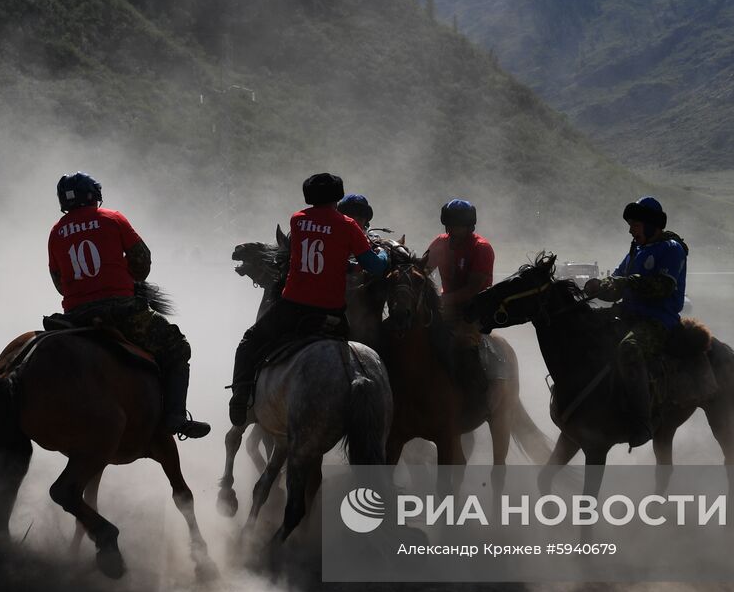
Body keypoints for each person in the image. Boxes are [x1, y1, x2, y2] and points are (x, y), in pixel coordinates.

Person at [48, 172, 210, 439]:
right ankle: (175, 417)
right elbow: (142, 261)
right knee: (177, 346)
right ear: (93, 195)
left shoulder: (56, 232)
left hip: (76, 316)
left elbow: (59, 282)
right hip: (121, 311)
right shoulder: (113, 218)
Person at [229, 173, 389, 427]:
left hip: (293, 307)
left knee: (250, 342)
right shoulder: (348, 226)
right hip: (333, 313)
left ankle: (240, 398)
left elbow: (316, 254)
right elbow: (374, 266)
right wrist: (382, 255)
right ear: (337, 197)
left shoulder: (298, 220)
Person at [582, 196, 689, 448]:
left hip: (657, 321)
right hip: (628, 315)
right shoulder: (636, 251)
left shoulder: (672, 249)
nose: (631, 229)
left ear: (652, 225)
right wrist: (600, 287)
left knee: (629, 349)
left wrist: (625, 283)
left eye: (636, 224)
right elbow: (617, 281)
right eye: (630, 225)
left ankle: (642, 423)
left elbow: (662, 287)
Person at [424, 199, 495, 403]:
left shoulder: (481, 248)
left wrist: (440, 300)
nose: (454, 230)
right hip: (445, 306)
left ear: (469, 226)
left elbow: (473, 289)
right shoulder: (440, 243)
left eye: (459, 226)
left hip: (474, 310)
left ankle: (477, 393)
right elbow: (424, 269)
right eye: (451, 225)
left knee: (464, 343)